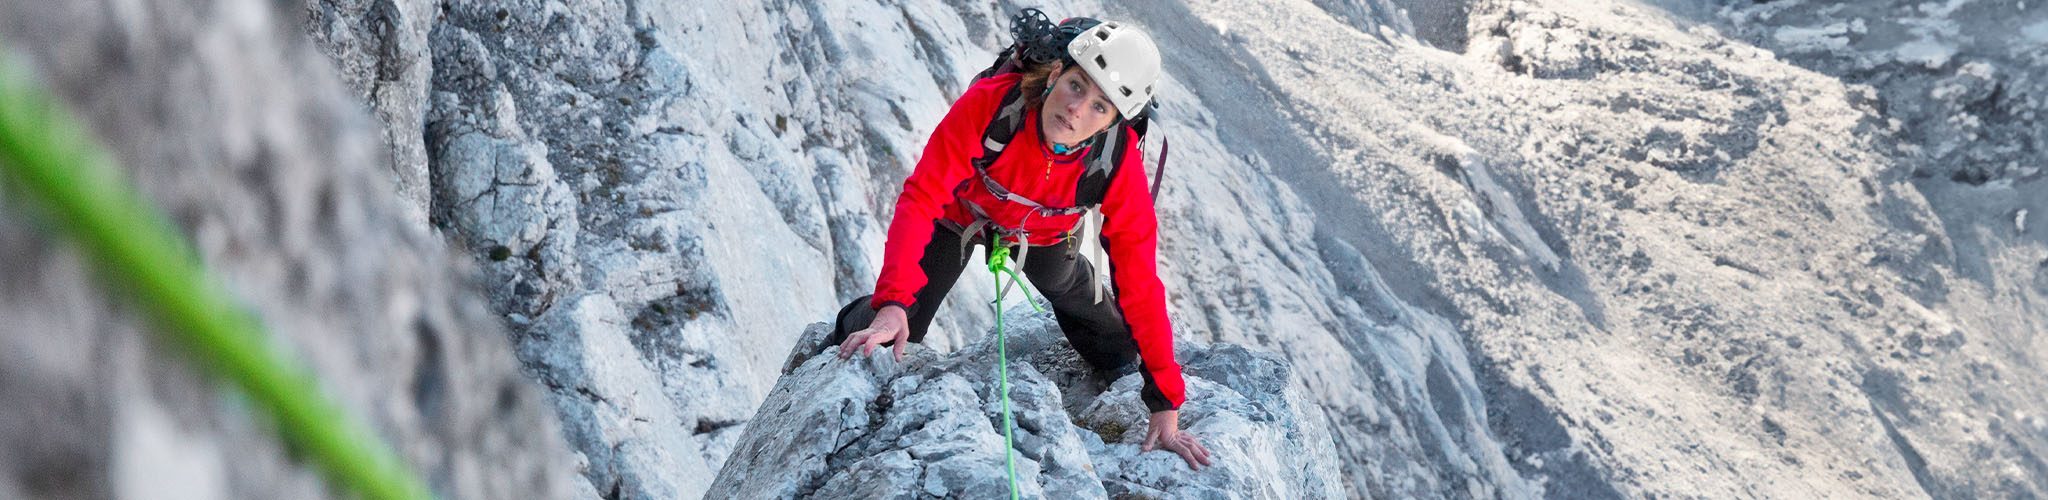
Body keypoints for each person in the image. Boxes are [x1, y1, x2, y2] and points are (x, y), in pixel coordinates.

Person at [824, 17, 1213, 471]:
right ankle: (842, 338)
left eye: (1100, 107)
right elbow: (922, 197)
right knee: (900, 322)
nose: (1077, 109)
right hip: (959, 214)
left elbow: (1139, 279)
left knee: (1082, 303)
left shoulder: (1115, 160)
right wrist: (892, 301)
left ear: (1114, 121)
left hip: (1043, 233)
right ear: (1054, 75)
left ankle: (1114, 355)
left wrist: (1165, 399)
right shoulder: (992, 106)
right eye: (1076, 85)